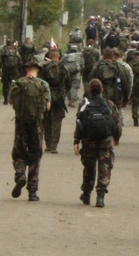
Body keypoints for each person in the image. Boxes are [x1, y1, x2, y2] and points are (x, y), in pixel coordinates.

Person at [73, 78, 122, 207]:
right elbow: (117, 123)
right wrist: (116, 137)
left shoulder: (84, 104)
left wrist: (76, 141)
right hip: (105, 140)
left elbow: (79, 123)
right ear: (102, 90)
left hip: (89, 140)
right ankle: (100, 196)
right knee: (104, 165)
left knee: (89, 166)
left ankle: (87, 194)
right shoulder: (109, 104)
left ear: (89, 90)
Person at [8, 59, 51, 201]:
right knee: (35, 155)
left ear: (26, 69)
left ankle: (20, 175)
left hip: (21, 124)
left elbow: (10, 101)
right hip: (37, 125)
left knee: (19, 153)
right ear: (37, 70)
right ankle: (32, 191)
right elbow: (48, 106)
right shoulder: (43, 84)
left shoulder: (18, 83)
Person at [39, 43, 69, 153]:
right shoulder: (63, 68)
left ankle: (48, 144)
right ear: (59, 57)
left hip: (47, 97)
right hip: (59, 97)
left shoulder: (45, 67)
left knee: (46, 120)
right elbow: (68, 83)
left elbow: (40, 82)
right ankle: (54, 146)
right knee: (57, 121)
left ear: (49, 57)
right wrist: (64, 91)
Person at [0, 39, 22, 104]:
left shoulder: (3, 51)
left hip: (5, 70)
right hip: (14, 71)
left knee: (5, 85)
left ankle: (5, 99)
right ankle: (13, 98)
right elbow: (19, 61)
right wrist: (20, 70)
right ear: (12, 44)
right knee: (14, 84)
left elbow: (0, 62)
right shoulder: (15, 51)